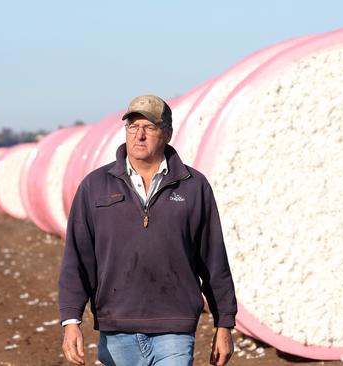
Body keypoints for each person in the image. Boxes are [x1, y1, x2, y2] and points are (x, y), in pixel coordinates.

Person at [58, 94, 238, 366]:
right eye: (132, 126)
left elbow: (213, 260)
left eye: (150, 127)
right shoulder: (95, 187)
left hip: (174, 330)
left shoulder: (193, 187)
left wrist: (224, 324)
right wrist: (71, 322)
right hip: (117, 328)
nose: (139, 135)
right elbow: (77, 260)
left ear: (167, 133)